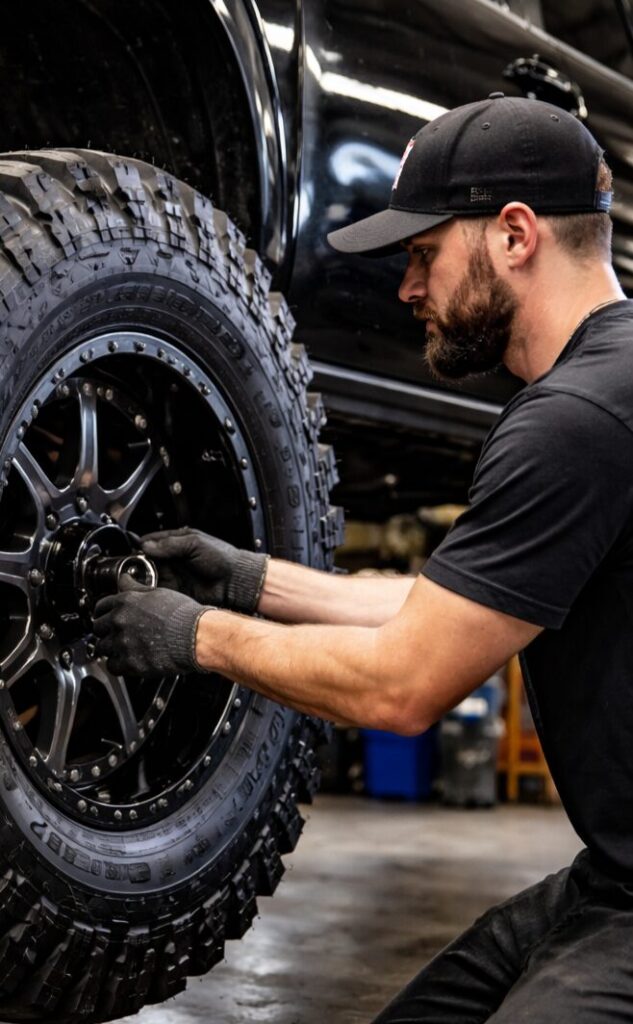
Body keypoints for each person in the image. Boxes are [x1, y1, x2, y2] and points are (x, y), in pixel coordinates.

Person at [93, 94, 633, 1022]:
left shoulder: (574, 420)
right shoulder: (603, 383)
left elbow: (402, 687)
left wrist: (193, 636)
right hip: (611, 876)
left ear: (513, 235)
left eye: (423, 254)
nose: (406, 289)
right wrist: (248, 579)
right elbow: (447, 606)